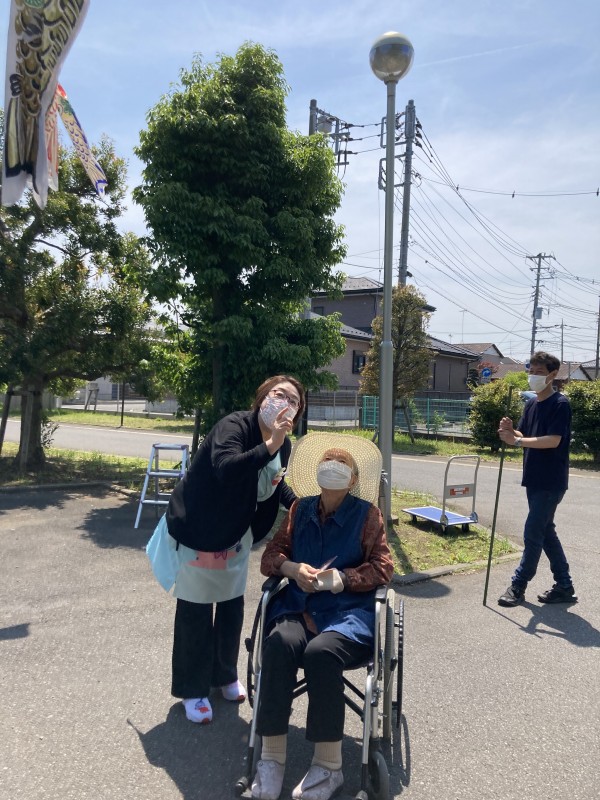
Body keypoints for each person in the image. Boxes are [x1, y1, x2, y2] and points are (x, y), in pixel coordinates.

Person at [146, 375, 305, 724]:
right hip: (200, 531)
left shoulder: (285, 446)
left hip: (235, 536)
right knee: (196, 612)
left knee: (232, 608)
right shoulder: (233, 426)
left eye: (293, 401)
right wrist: (270, 444)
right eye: (278, 394)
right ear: (262, 397)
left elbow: (275, 484)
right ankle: (192, 689)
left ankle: (224, 675)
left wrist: (301, 506)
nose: (285, 403)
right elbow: (225, 468)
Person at [250, 433, 393, 800]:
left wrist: (344, 579)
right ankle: (271, 759)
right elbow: (270, 556)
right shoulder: (300, 510)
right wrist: (291, 568)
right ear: (317, 471)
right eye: (328, 460)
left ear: (354, 478)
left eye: (342, 462)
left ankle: (329, 767)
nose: (333, 465)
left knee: (321, 653)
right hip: (299, 606)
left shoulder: (368, 516)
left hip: (348, 614)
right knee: (278, 643)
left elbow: (383, 568)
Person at [497, 351, 576, 607]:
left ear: (553, 375)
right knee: (545, 531)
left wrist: (517, 441)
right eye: (531, 371)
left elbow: (553, 440)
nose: (533, 376)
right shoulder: (531, 404)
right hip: (533, 477)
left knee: (533, 531)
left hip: (551, 481)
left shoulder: (560, 404)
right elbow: (526, 434)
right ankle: (564, 586)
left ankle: (518, 585)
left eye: (539, 372)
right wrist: (512, 431)